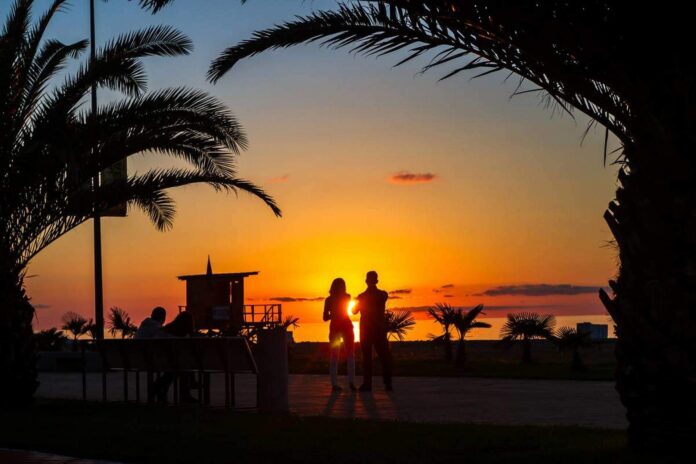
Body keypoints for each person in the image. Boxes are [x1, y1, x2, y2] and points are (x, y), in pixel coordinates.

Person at [353, 271, 393, 392]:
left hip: (366, 330)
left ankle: (367, 384)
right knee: (384, 357)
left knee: (367, 358)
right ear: (376, 281)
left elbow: (354, 311)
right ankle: (387, 383)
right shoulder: (382, 295)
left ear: (366, 281)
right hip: (379, 329)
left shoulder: (362, 296)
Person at [323, 278, 356, 392]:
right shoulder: (346, 297)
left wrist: (333, 314)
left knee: (342, 356)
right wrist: (335, 315)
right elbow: (325, 317)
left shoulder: (332, 299)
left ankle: (341, 383)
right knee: (344, 355)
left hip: (342, 328)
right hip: (342, 328)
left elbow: (325, 317)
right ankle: (345, 383)